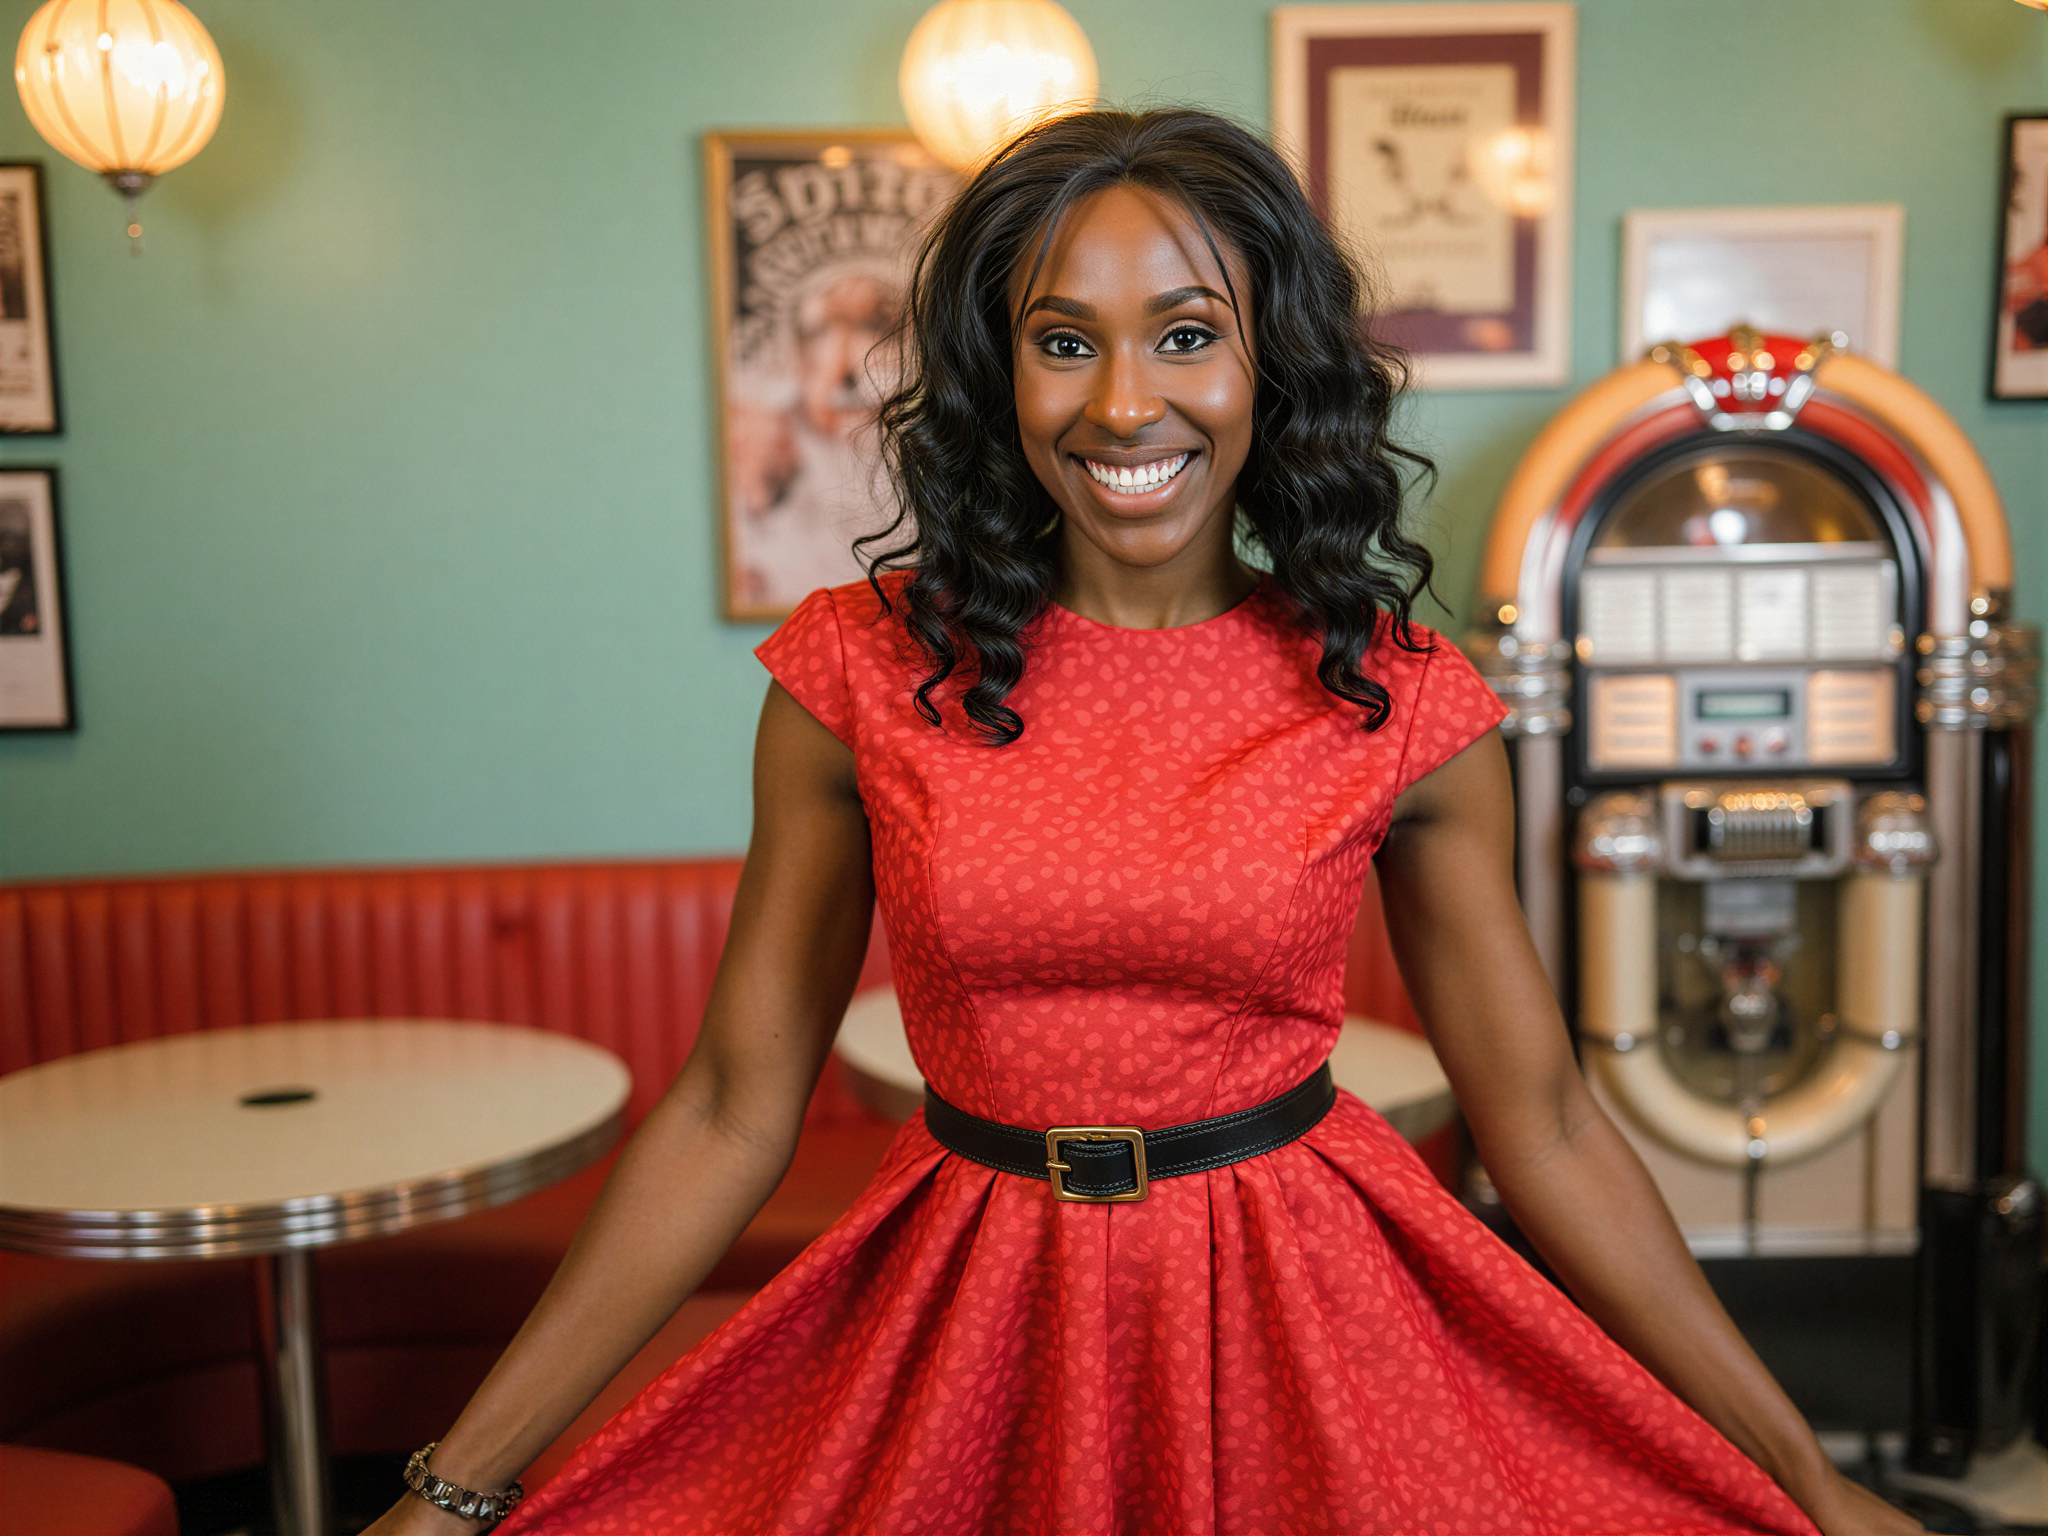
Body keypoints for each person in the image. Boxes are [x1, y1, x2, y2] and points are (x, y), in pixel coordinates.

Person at [368, 110, 1917, 1536]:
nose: (1125, 403)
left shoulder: (1395, 695)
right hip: (972, 1309)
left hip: (1302, 1312)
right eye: (1063, 341)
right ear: (1000, 372)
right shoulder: (860, 669)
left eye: (1188, 335)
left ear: (1271, 367)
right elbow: (725, 1110)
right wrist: (453, 1491)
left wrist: (1808, 1480)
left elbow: (1549, 1122)